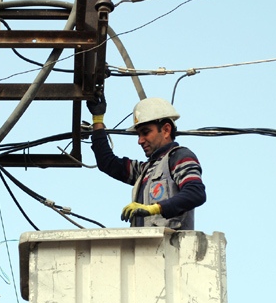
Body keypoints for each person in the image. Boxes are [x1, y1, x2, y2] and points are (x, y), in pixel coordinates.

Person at [87, 95, 206, 230]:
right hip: (146, 248)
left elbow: (196, 193)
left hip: (171, 247)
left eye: (145, 132)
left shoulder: (179, 157)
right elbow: (107, 163)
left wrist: (156, 208)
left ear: (166, 130)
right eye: (138, 135)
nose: (140, 140)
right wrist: (98, 121)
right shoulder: (146, 170)